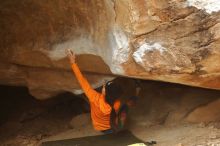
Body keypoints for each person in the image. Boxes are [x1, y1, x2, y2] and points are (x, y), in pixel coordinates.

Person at [67, 49, 141, 134]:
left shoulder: (94, 98)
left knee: (126, 107)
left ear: (104, 91)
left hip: (101, 129)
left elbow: (82, 81)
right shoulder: (116, 104)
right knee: (126, 107)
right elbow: (124, 106)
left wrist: (73, 62)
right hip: (115, 128)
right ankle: (138, 91)